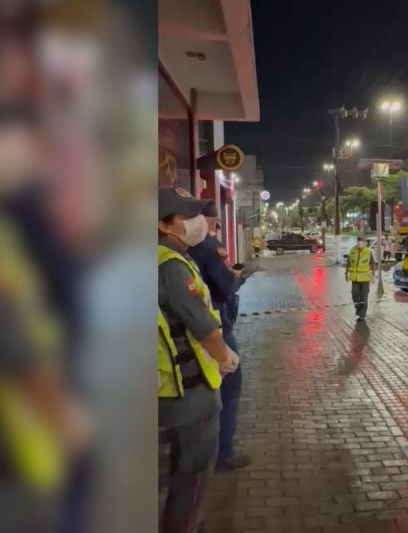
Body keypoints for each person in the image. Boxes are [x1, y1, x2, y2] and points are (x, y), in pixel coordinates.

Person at [158, 187, 240, 533]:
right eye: (187, 217)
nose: (197, 222)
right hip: (189, 392)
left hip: (169, 386)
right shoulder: (171, 264)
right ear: (163, 224)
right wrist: (226, 357)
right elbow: (202, 325)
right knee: (190, 476)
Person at [188, 204, 254, 472]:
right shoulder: (206, 245)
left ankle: (196, 452)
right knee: (229, 385)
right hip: (215, 325)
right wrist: (237, 277)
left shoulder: (172, 250)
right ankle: (222, 453)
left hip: (186, 332)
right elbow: (226, 286)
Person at [345, 236, 375, 321]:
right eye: (358, 241)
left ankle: (362, 315)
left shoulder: (368, 252)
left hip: (365, 279)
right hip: (355, 279)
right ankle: (358, 308)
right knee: (354, 294)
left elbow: (372, 264)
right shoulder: (352, 251)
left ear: (364, 242)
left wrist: (373, 275)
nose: (360, 243)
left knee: (364, 297)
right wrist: (346, 273)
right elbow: (348, 262)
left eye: (361, 241)